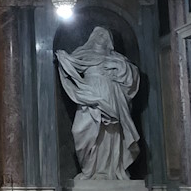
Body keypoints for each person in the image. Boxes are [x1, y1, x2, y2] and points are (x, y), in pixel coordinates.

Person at [55, 26, 140, 181]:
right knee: (80, 130)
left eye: (104, 35)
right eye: (98, 34)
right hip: (89, 96)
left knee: (110, 133)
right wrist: (63, 57)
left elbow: (131, 76)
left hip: (111, 95)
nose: (101, 37)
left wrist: (117, 67)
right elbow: (70, 63)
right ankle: (89, 170)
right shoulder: (83, 54)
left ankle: (111, 170)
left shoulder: (116, 58)